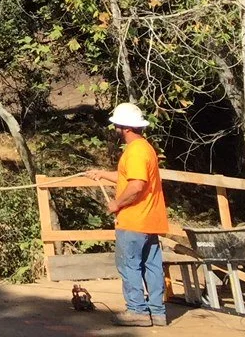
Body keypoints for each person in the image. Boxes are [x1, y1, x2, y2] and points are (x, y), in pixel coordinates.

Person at [88, 102, 169, 328]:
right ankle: (157, 312)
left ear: (124, 128)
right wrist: (102, 174)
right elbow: (129, 178)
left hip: (134, 219)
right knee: (151, 266)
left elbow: (135, 186)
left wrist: (116, 204)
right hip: (150, 219)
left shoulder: (134, 152)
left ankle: (137, 311)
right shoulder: (146, 149)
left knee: (129, 265)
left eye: (116, 125)